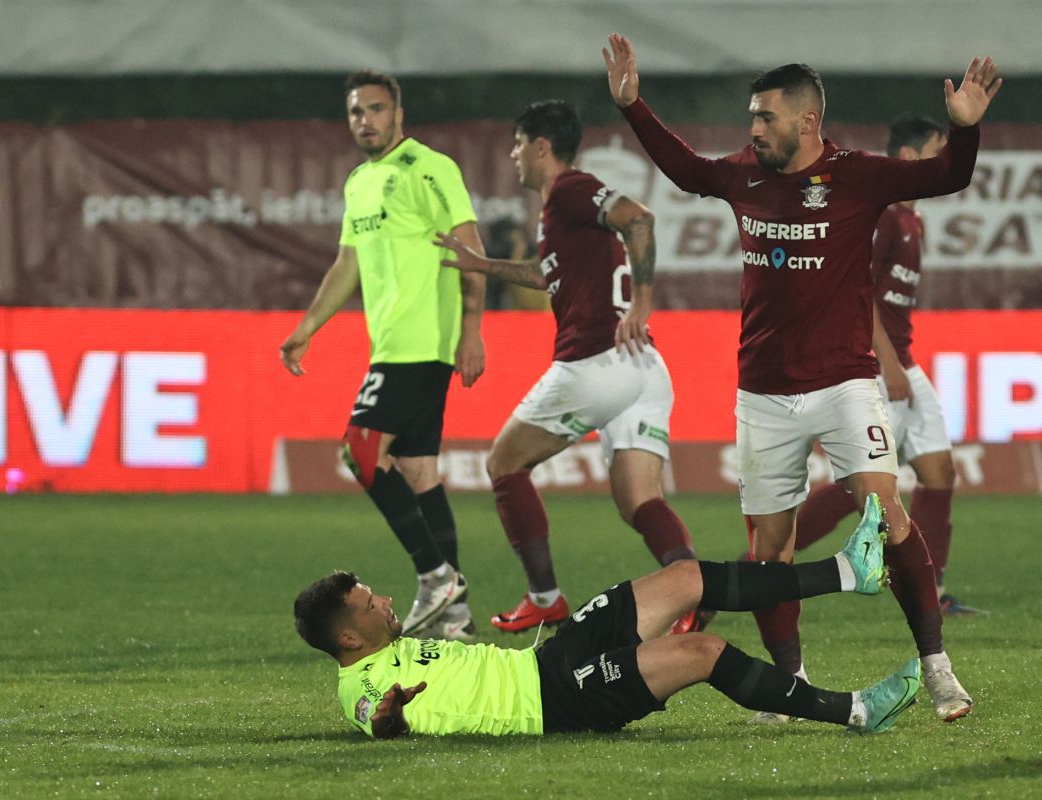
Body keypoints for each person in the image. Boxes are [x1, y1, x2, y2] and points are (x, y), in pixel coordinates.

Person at [603, 33, 1001, 722]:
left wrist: (965, 130)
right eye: (752, 117)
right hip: (762, 392)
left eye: (766, 117)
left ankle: (937, 666)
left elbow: (947, 177)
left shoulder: (858, 176)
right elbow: (686, 170)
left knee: (886, 512)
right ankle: (789, 685)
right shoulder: (743, 175)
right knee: (770, 553)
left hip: (846, 382)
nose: (754, 129)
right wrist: (633, 106)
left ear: (807, 120)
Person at [295, 496, 920, 738]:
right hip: (553, 705)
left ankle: (849, 571)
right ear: (347, 637)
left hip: (546, 664)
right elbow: (378, 721)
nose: (385, 601)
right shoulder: (361, 686)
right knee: (702, 652)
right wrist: (388, 715)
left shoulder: (390, 643)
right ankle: (856, 710)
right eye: (369, 605)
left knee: (684, 578)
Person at [435, 100, 706, 635]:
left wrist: (643, 304)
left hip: (598, 359)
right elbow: (547, 274)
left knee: (504, 463)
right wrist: (482, 265)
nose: (513, 155)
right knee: (639, 500)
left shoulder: (568, 189)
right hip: (643, 367)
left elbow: (639, 218)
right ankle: (693, 594)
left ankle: (545, 598)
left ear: (541, 146)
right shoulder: (561, 212)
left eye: (518, 144)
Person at [280, 70, 488, 640]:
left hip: (421, 341)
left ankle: (435, 576)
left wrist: (472, 331)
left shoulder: (429, 167)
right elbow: (347, 263)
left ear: (398, 113)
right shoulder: (359, 183)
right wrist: (308, 327)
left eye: (375, 108)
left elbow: (470, 249)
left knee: (360, 448)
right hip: (394, 343)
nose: (365, 120)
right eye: (356, 111)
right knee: (419, 471)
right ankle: (456, 619)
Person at [794, 114, 982, 617]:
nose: (944, 161)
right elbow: (859, 293)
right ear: (909, 156)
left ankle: (931, 591)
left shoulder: (913, 220)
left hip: (903, 360)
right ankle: (771, 554)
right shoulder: (886, 217)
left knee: (939, 471)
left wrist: (902, 362)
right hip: (877, 365)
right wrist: (890, 364)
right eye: (938, 149)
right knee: (861, 485)